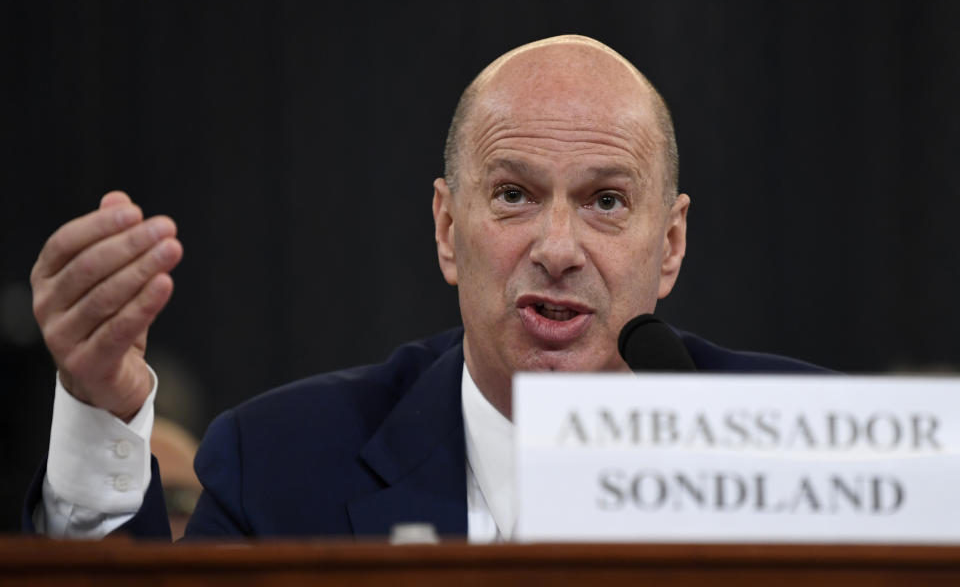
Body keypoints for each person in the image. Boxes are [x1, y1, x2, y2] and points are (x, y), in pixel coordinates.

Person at [23, 35, 820, 541]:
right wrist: (101, 410)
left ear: (670, 245)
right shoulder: (278, 470)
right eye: (512, 194)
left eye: (606, 201)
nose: (557, 248)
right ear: (447, 228)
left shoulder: (810, 457)